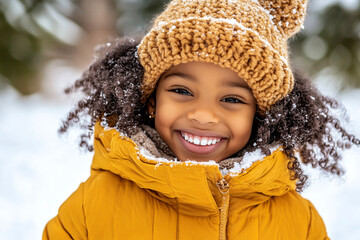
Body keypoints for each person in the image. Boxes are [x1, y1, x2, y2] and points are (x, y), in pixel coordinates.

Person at [43, 0, 359, 239]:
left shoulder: (298, 223)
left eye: (232, 99)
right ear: (151, 100)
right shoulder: (95, 206)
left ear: (261, 115)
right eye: (182, 90)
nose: (203, 115)